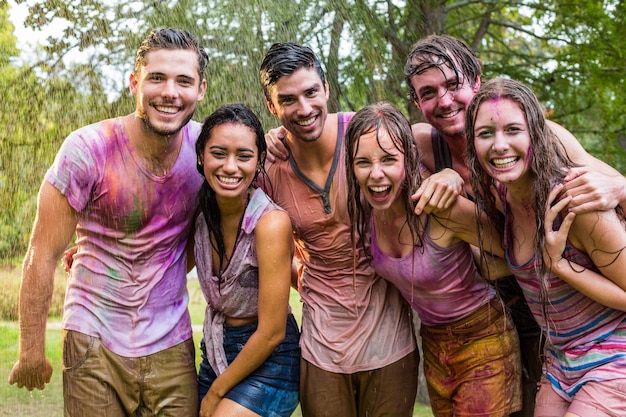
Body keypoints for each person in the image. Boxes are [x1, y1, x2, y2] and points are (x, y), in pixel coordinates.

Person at [403, 34, 626, 417]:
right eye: (428, 92)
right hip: (529, 327)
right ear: (417, 102)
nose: (443, 100)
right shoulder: (429, 148)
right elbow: (366, 139)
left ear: (476, 79)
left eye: (454, 84)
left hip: (596, 332)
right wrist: (278, 142)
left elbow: (603, 185)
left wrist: (619, 185)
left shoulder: (548, 147)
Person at [8, 28, 207, 416]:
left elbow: (254, 161)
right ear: (134, 83)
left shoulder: (206, 152)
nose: (170, 92)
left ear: (200, 89)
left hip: (172, 342)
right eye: (157, 78)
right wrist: (30, 349)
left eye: (184, 80)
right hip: (92, 338)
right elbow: (42, 253)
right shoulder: (88, 150)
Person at [259, 42, 418, 417]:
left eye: (311, 92)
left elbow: (425, 151)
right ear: (272, 107)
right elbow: (267, 254)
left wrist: (448, 176)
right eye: (288, 100)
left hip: (390, 342)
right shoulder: (270, 168)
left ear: (326, 88)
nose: (304, 108)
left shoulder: (368, 136)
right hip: (321, 347)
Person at [345, 101, 522, 416]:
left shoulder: (440, 208)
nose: (375, 174)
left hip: (483, 336)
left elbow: (516, 250)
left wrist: (481, 261)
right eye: (362, 162)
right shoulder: (365, 210)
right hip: (434, 343)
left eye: (388, 159)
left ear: (409, 159)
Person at [466, 77, 626, 417]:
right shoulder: (503, 198)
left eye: (513, 130)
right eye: (485, 134)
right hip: (559, 364)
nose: (499, 145)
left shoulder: (574, 202)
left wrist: (562, 266)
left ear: (536, 133)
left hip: (613, 355)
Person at [193, 103, 300, 417]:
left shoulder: (270, 224)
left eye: (243, 156)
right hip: (215, 350)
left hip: (270, 361)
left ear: (258, 161)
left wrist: (216, 392)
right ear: (201, 156)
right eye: (219, 153)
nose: (230, 167)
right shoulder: (200, 216)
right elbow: (164, 260)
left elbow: (271, 332)